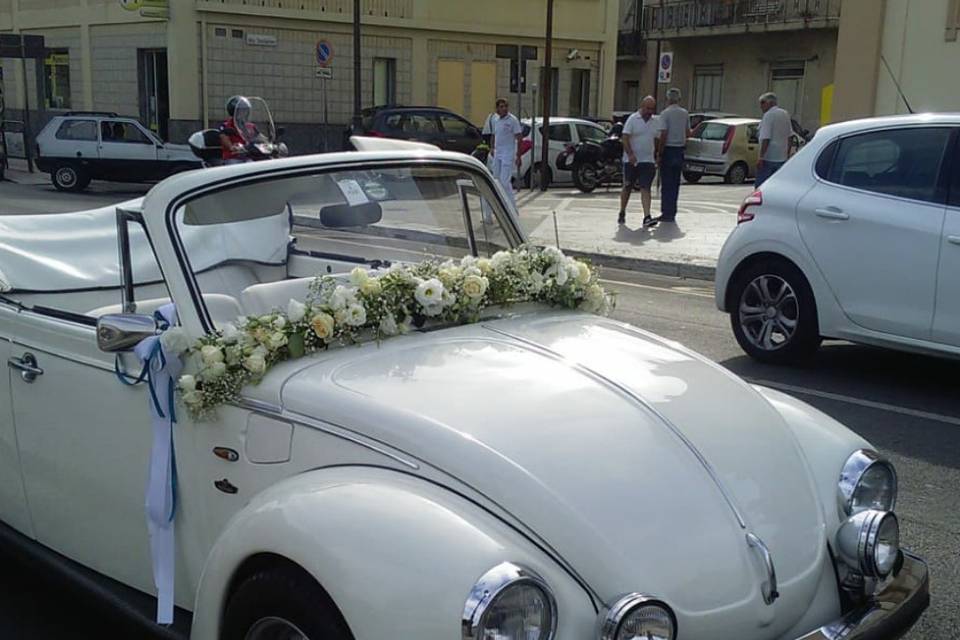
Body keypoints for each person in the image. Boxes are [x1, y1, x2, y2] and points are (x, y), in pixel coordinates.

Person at [619, 95, 662, 227]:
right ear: (642, 106)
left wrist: (657, 154)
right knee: (627, 186)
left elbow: (657, 139)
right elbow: (625, 137)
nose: (650, 111)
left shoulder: (655, 122)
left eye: (652, 109)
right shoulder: (633, 119)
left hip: (647, 160)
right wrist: (630, 154)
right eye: (648, 108)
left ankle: (647, 216)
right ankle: (622, 211)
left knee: (645, 187)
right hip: (631, 161)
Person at [482, 98, 523, 209]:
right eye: (501, 107)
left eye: (505, 106)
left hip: (508, 154)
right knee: (497, 181)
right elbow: (494, 135)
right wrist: (492, 148)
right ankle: (500, 206)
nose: (504, 108)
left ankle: (512, 209)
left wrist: (518, 156)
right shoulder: (496, 120)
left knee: (505, 182)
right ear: (497, 109)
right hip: (497, 154)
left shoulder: (512, 120)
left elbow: (519, 138)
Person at [657, 88, 690, 223]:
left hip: (669, 149)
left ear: (668, 99)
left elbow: (663, 134)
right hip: (680, 150)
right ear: (679, 99)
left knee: (666, 182)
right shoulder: (685, 113)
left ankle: (666, 212)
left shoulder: (665, 114)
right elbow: (688, 132)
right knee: (675, 183)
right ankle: (673, 211)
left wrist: (659, 152)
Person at [755, 92, 792, 187]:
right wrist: (787, 153)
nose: (760, 106)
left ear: (771, 103)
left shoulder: (768, 115)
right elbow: (790, 136)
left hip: (768, 158)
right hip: (781, 158)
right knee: (776, 186)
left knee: (761, 187)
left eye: (763, 102)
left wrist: (761, 157)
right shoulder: (785, 114)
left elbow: (766, 138)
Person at [219, 96, 250, 164]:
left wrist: (267, 143)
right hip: (233, 157)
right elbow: (223, 137)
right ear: (233, 111)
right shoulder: (226, 126)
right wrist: (232, 147)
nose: (244, 112)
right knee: (235, 164)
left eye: (245, 110)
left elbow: (258, 137)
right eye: (241, 110)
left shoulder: (249, 126)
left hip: (248, 155)